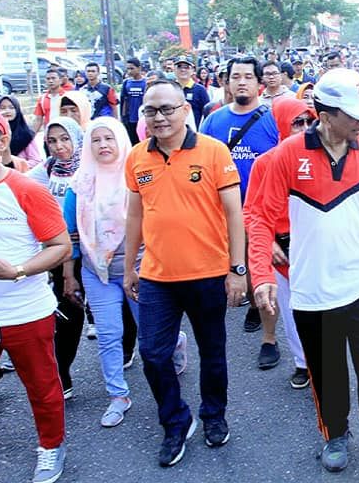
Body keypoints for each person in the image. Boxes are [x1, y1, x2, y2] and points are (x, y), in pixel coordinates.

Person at [248, 69, 359, 482]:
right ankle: (335, 434)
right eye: (352, 114)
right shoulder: (286, 155)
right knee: (327, 372)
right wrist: (261, 272)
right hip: (312, 289)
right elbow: (261, 217)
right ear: (325, 113)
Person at [123, 79, 246, 467]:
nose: (159, 117)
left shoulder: (213, 152)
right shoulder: (137, 157)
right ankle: (176, 421)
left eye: (167, 109)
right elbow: (135, 214)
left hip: (209, 273)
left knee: (213, 353)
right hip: (158, 276)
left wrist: (237, 269)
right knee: (153, 354)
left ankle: (214, 415)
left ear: (185, 109)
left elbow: (233, 214)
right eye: (150, 111)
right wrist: (130, 267)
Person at [0, 110, 72, 483]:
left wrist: (19, 270)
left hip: (25, 311)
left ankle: (51, 446)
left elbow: (60, 246)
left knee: (42, 388)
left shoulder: (26, 189)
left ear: (2, 140)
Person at [199, 56, 281, 365]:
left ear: (260, 83)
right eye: (236, 76)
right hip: (218, 211)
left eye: (248, 76)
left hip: (260, 211)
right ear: (228, 82)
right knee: (223, 270)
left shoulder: (273, 119)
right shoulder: (213, 120)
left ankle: (270, 339)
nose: (242, 81)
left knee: (260, 271)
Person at [64, 117, 143, 426]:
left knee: (151, 334)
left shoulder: (137, 177)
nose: (103, 145)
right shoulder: (79, 184)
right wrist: (69, 274)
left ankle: (175, 342)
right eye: (96, 140)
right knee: (110, 335)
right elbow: (70, 232)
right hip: (97, 271)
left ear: (121, 140)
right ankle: (118, 395)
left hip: (139, 267)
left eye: (109, 138)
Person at [242, 98, 315, 389]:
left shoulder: (323, 157)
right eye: (298, 122)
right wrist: (267, 240)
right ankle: (302, 363)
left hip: (315, 247)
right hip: (282, 251)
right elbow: (251, 210)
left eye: (311, 121)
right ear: (283, 125)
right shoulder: (266, 162)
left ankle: (325, 362)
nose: (306, 128)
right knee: (290, 311)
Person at [27, 116, 86, 401]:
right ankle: (62, 375)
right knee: (68, 313)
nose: (59, 146)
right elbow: (18, 186)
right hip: (63, 254)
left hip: (99, 251)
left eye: (65, 139)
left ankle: (128, 347)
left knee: (121, 313)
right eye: (52, 141)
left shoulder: (91, 166)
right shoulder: (46, 170)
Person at [0, 94, 42, 166]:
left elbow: (36, 161)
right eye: (2, 108)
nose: (7, 111)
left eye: (11, 108)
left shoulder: (26, 135)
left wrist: (15, 164)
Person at [174, 56, 211, 127]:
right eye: (179, 67)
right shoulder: (170, 89)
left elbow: (207, 113)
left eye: (186, 67)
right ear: (174, 70)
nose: (183, 70)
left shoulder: (200, 90)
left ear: (192, 70)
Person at [120, 58, 147, 145]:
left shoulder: (146, 82)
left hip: (143, 118)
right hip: (131, 119)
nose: (129, 71)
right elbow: (124, 100)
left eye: (132, 68)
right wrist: (124, 117)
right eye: (128, 69)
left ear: (139, 68)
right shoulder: (126, 83)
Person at [32, 69, 65, 133]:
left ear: (60, 80)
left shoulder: (68, 96)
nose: (50, 81)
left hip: (65, 133)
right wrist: (30, 136)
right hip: (49, 135)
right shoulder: (42, 99)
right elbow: (38, 120)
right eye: (48, 79)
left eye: (53, 78)